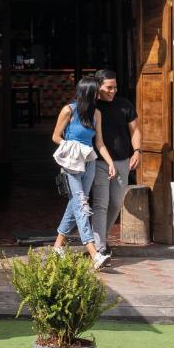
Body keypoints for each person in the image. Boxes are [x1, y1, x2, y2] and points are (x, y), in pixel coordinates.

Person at [52, 76, 116, 270]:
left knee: (76, 203)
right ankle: (94, 253)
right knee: (81, 205)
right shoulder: (68, 110)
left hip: (89, 164)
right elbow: (56, 136)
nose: (101, 93)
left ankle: (57, 246)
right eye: (97, 91)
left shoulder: (96, 113)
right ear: (89, 92)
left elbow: (100, 143)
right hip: (72, 164)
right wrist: (70, 147)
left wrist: (110, 162)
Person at [90, 69, 142, 256]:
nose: (113, 91)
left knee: (116, 203)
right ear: (98, 87)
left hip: (122, 161)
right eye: (109, 88)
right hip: (98, 162)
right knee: (101, 204)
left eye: (115, 87)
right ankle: (100, 246)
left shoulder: (124, 105)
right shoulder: (91, 106)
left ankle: (98, 239)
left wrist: (137, 151)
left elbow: (135, 131)